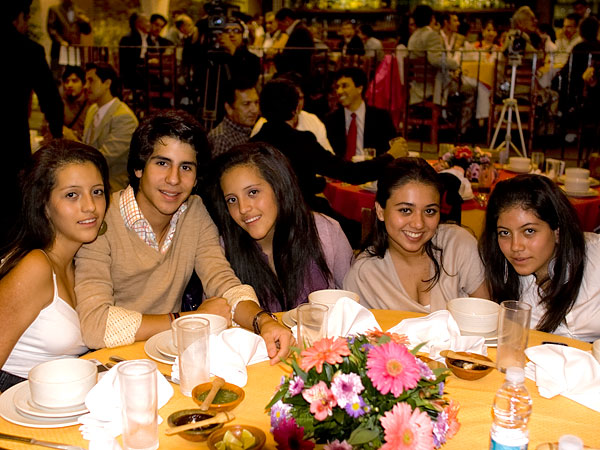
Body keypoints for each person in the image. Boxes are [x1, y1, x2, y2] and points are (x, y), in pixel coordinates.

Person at [74, 110, 292, 362]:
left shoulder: (194, 212)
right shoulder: (102, 220)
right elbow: (94, 325)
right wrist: (190, 319)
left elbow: (222, 280)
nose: (174, 179)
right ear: (138, 168)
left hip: (171, 357)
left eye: (186, 167)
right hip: (112, 364)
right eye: (162, 163)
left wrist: (263, 320)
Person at [0, 140, 109, 392]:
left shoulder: (82, 258)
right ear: (44, 205)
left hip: (59, 396)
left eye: (97, 191)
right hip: (16, 398)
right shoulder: (35, 267)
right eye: (72, 195)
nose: (90, 206)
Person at [207, 143, 353, 312]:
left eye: (253, 192)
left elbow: (353, 305)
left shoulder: (325, 231)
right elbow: (215, 322)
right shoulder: (221, 252)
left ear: (279, 188)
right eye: (232, 200)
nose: (243, 208)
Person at [344, 157, 488, 312]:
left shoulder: (458, 245)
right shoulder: (364, 275)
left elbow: (488, 319)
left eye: (429, 211)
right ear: (380, 211)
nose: (418, 224)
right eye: (405, 210)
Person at [479, 174, 600, 342]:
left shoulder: (595, 257)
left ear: (557, 230)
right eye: (505, 233)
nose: (515, 246)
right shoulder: (504, 278)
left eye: (529, 231)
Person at [2, 0, 64, 249]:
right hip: (11, 148)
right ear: (18, 17)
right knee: (8, 217)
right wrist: (57, 133)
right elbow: (51, 99)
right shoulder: (28, 50)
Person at [82, 62, 139, 192]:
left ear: (107, 83)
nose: (85, 86)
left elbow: (104, 158)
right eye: (85, 81)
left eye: (91, 81)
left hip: (112, 185)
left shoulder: (124, 117)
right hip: (91, 178)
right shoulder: (93, 109)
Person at [324, 67, 397, 159]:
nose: (339, 91)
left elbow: (392, 150)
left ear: (359, 88)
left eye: (344, 86)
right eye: (337, 87)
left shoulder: (381, 118)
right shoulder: (331, 120)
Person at [208, 78, 260, 156]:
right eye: (246, 104)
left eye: (256, 102)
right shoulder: (223, 139)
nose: (254, 110)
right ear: (229, 108)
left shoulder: (245, 130)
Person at [46, 0, 91, 80]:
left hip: (74, 50)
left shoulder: (78, 11)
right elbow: (51, 29)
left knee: (75, 75)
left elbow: (87, 31)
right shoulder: (54, 9)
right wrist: (60, 41)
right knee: (57, 77)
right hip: (59, 51)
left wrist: (86, 22)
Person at [59, 65, 89, 140]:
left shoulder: (91, 103)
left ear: (83, 83)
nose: (70, 85)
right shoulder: (60, 102)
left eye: (75, 81)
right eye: (67, 81)